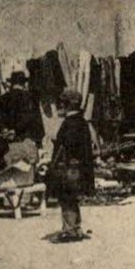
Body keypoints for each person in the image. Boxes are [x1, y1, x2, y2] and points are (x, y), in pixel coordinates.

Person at [47, 89, 95, 242]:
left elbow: (68, 144)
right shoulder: (81, 121)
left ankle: (70, 229)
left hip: (69, 167)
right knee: (72, 197)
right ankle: (76, 226)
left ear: (66, 105)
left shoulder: (70, 123)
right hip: (80, 166)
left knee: (66, 196)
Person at [0, 72, 45, 148]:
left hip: (10, 142)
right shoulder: (31, 97)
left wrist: (5, 130)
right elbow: (34, 120)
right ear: (24, 83)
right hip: (29, 140)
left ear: (12, 83)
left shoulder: (3, 99)